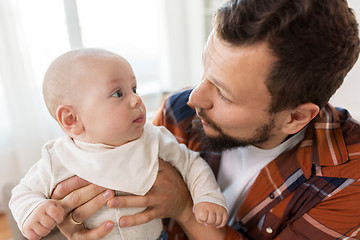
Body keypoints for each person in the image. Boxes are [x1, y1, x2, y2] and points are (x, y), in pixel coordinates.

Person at [46, 0, 360, 239]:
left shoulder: (349, 181)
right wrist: (78, 225)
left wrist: (184, 208)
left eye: (224, 93)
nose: (194, 97)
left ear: (295, 117)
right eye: (205, 70)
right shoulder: (180, 111)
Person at [9, 48, 228, 240]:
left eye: (134, 88)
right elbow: (23, 192)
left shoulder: (154, 139)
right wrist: (33, 210)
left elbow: (191, 164)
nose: (136, 99)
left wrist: (206, 197)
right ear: (71, 119)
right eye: (118, 93)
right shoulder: (57, 158)